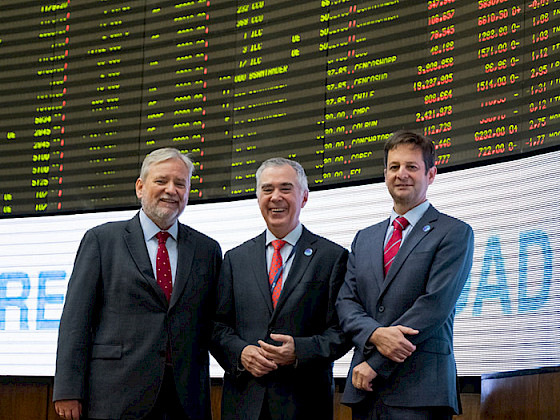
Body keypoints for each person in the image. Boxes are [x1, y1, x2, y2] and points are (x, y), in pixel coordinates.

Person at [53, 148, 222, 420]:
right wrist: (67, 389)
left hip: (185, 400)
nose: (171, 190)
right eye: (161, 181)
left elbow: (215, 323)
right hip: (115, 396)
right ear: (140, 187)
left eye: (181, 183)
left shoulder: (207, 250)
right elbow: (76, 320)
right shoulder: (101, 240)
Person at [336, 131, 474, 420]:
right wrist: (374, 334)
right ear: (385, 173)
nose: (402, 174)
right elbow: (346, 303)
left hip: (421, 390)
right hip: (366, 391)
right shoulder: (365, 238)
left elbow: (434, 306)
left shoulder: (454, 232)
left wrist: (376, 362)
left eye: (412, 167)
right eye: (394, 167)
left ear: (431, 174)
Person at [211, 157, 350, 420]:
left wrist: (300, 351)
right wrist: (240, 353)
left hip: (304, 404)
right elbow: (217, 326)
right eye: (267, 189)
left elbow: (342, 331)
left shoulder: (332, 257)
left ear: (304, 197)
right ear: (258, 198)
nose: (276, 197)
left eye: (286, 188)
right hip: (244, 404)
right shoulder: (234, 259)